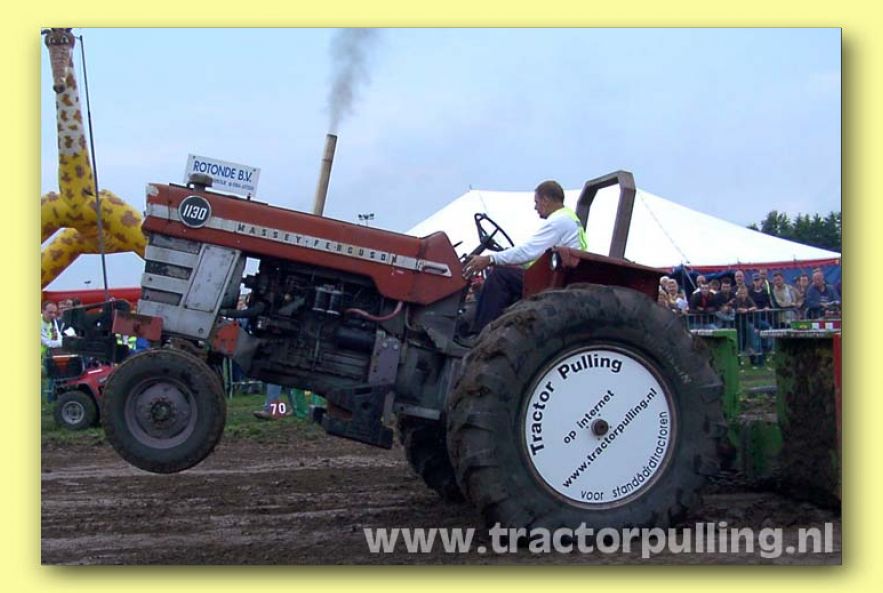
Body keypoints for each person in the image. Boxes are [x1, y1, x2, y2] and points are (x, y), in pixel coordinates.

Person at [463, 180, 587, 333]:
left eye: (536, 202)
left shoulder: (559, 221)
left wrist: (489, 259)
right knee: (501, 272)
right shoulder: (568, 218)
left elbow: (528, 251)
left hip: (553, 280)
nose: (535, 207)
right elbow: (533, 254)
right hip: (556, 274)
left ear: (545, 200)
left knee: (500, 276)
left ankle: (479, 333)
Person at [41, 301, 63, 402]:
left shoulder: (53, 322)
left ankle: (49, 400)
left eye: (55, 313)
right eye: (50, 312)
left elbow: (59, 337)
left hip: (46, 355)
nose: (53, 315)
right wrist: (63, 343)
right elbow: (47, 343)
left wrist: (60, 341)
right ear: (43, 311)